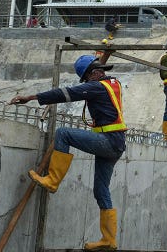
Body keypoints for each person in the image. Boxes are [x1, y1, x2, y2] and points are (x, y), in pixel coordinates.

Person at [9, 52, 125, 251]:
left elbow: (64, 94)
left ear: (94, 74)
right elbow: (96, 71)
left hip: (108, 141)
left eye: (87, 77)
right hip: (115, 144)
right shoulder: (113, 83)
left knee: (63, 134)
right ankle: (109, 240)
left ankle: (52, 180)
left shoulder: (96, 87)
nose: (86, 82)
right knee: (100, 190)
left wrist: (30, 97)